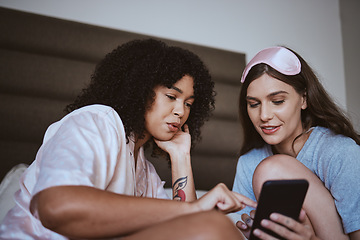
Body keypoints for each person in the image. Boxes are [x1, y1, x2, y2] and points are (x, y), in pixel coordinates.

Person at [0, 39, 256, 240]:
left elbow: (186, 228)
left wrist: (180, 156)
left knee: (212, 228)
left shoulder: (144, 172)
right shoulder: (98, 120)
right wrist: (195, 210)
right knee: (212, 228)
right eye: (171, 96)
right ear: (141, 90)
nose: (181, 111)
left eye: (188, 103)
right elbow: (55, 206)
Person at [232, 46, 360, 240]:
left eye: (277, 101)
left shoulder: (341, 153)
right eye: (254, 104)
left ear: (303, 99)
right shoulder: (248, 163)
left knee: (271, 169)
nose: (264, 116)